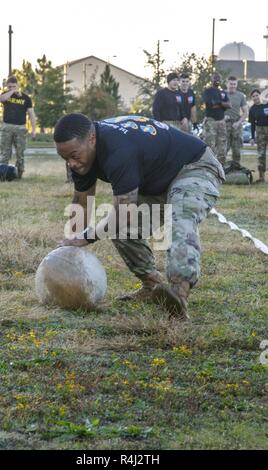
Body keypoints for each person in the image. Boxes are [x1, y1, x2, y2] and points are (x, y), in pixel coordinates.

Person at [53, 113, 225, 321]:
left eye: (73, 155)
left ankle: (179, 293)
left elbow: (123, 212)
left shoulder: (119, 149)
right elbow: (82, 201)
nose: (71, 164)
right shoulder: (81, 155)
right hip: (157, 181)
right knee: (120, 229)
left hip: (194, 167)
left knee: (179, 218)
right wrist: (70, 244)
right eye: (65, 159)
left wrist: (88, 236)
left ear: (91, 139)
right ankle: (152, 286)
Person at [0, 76, 36, 178]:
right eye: (9, 87)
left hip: (20, 128)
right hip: (7, 127)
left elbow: (32, 114)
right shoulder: (5, 95)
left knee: (20, 154)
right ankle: (2, 175)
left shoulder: (26, 98)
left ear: (18, 85)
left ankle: (19, 175)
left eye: (14, 86)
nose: (12, 88)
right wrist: (12, 92)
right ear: (7, 86)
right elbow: (2, 99)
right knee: (5, 152)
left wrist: (33, 129)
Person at [202, 73, 231, 165]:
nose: (217, 80)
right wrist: (222, 104)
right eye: (215, 78)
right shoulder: (208, 91)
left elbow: (229, 105)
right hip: (211, 121)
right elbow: (210, 104)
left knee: (222, 147)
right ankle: (209, 168)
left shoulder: (222, 92)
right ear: (211, 80)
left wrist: (218, 103)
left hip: (222, 122)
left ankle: (220, 169)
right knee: (210, 146)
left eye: (219, 78)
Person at [224, 76, 248, 163]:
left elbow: (245, 112)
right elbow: (215, 109)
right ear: (227, 84)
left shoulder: (241, 96)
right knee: (223, 149)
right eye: (231, 84)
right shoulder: (222, 94)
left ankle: (236, 169)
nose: (232, 86)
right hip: (224, 125)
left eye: (234, 84)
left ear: (236, 85)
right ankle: (221, 170)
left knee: (236, 150)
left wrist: (238, 123)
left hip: (236, 125)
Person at [249, 89, 268, 183]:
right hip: (260, 132)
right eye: (253, 96)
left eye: (257, 95)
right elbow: (252, 125)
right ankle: (261, 177)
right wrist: (252, 137)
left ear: (260, 96)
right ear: (252, 98)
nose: (255, 97)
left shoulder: (266, 104)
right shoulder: (252, 109)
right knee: (261, 155)